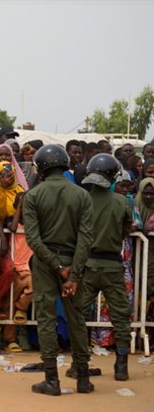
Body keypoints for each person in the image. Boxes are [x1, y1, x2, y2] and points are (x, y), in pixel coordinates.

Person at [22, 144, 93, 396]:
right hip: (75, 262)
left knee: (46, 318)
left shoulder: (32, 196)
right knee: (77, 318)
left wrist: (57, 266)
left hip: (45, 262)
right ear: (65, 164)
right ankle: (83, 377)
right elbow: (86, 238)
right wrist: (73, 272)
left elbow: (33, 238)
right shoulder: (82, 195)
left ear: (40, 168)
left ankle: (51, 379)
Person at [75, 154, 133, 382]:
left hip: (87, 265)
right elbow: (126, 229)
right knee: (121, 316)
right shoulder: (121, 201)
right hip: (112, 266)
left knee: (78, 314)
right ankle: (121, 365)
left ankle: (80, 363)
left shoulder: (83, 199)